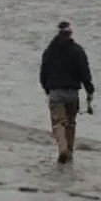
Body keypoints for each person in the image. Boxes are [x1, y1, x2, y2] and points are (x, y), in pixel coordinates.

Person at [40, 21, 94, 164]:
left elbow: (43, 73)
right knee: (70, 124)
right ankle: (69, 152)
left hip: (55, 92)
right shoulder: (77, 51)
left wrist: (46, 88)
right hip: (72, 93)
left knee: (58, 123)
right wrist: (89, 90)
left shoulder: (49, 51)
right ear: (70, 34)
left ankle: (62, 149)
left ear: (59, 33)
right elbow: (85, 73)